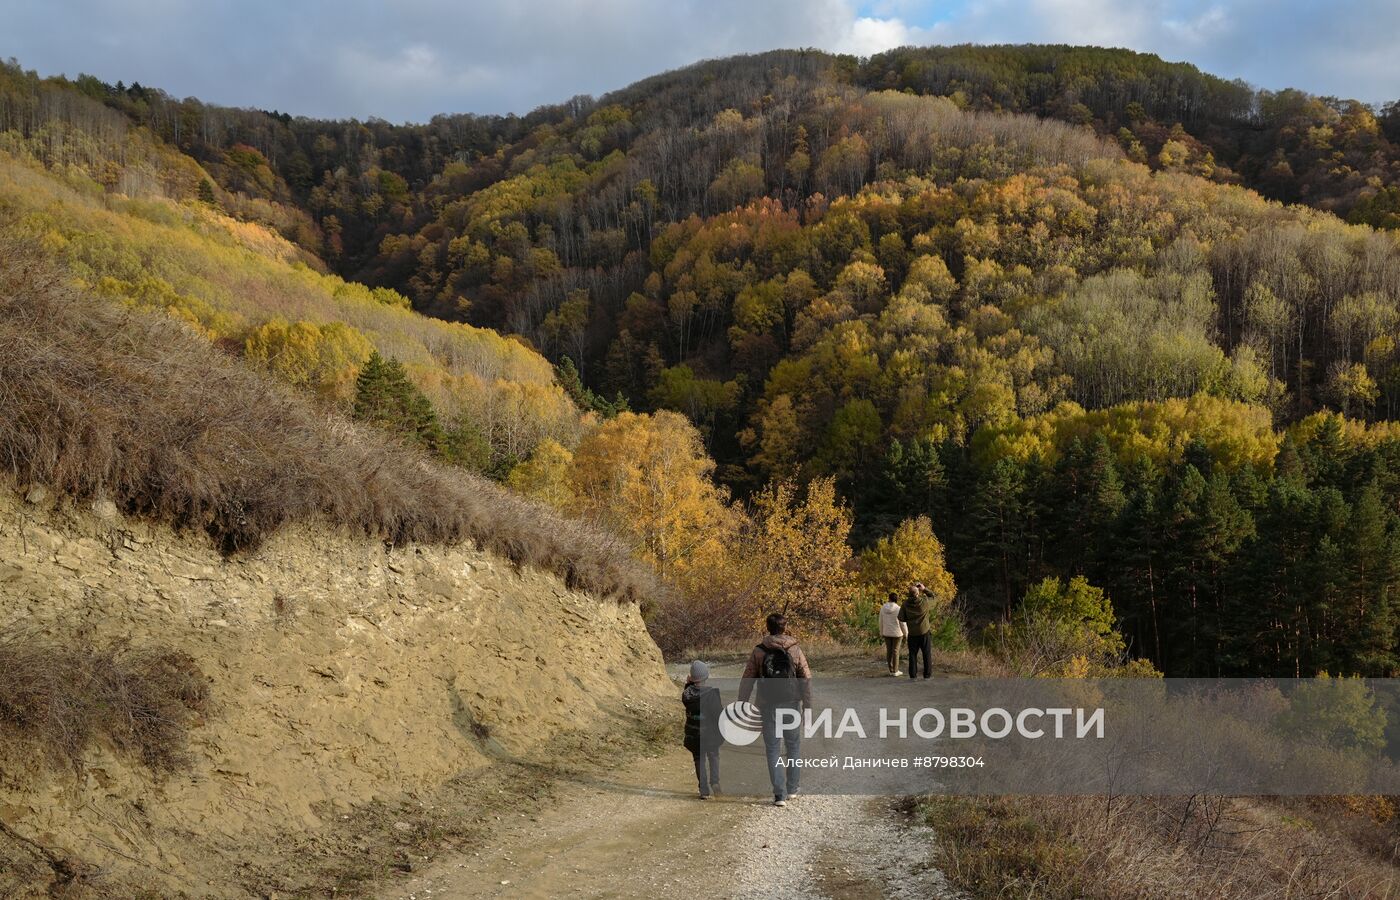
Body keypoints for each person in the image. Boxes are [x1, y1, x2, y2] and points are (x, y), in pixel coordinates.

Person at [738, 613, 812, 807]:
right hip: (792, 704)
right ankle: (793, 789)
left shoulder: (759, 651)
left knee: (772, 749)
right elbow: (806, 678)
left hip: (767, 704)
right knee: (793, 746)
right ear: (785, 628)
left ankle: (779, 795)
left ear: (768, 628)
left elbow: (747, 679)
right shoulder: (795, 649)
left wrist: (742, 704)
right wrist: (808, 706)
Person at [681, 660, 723, 799]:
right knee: (713, 756)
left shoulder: (686, 695)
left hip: (694, 735)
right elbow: (718, 715)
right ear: (706, 677)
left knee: (699, 760)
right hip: (710, 735)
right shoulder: (712, 694)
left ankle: (703, 790)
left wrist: (688, 684)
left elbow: (688, 694)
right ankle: (715, 783)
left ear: (692, 678)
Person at [898, 583, 933, 680]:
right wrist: (924, 589)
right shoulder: (924, 602)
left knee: (912, 655)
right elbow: (933, 596)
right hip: (924, 632)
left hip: (912, 633)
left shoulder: (905, 604)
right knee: (926, 654)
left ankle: (913, 675)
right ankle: (927, 675)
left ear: (909, 594)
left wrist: (911, 620)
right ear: (918, 593)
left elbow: (901, 618)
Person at [878, 591, 907, 676]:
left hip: (886, 632)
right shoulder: (898, 608)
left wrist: (881, 632)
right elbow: (902, 622)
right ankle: (895, 670)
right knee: (896, 651)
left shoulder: (883, 608)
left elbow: (880, 621)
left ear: (889, 598)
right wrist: (906, 633)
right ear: (896, 599)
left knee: (889, 651)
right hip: (897, 633)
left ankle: (890, 670)